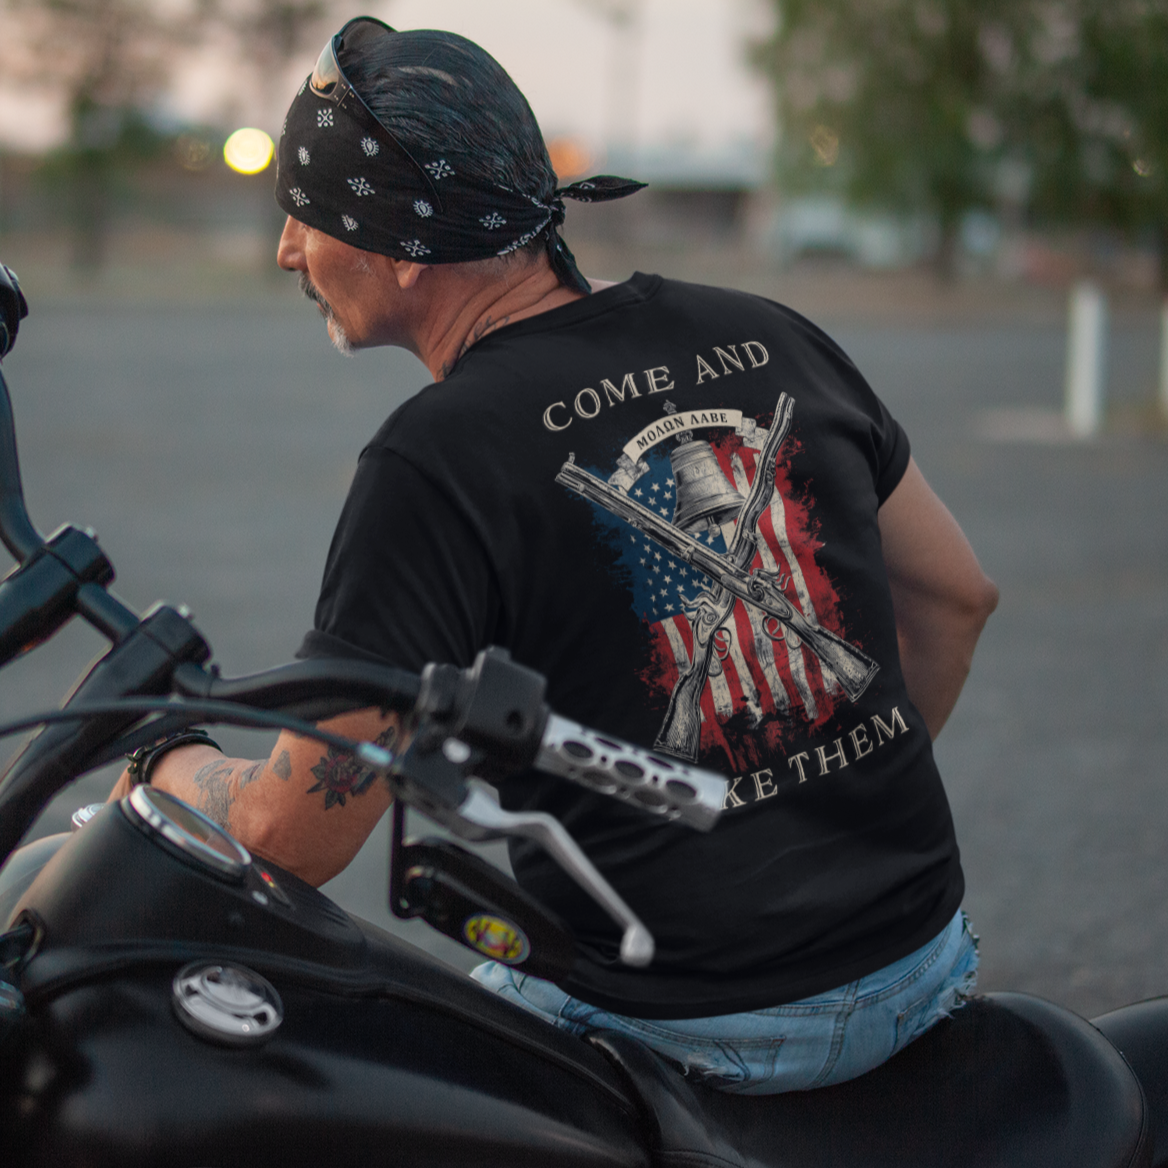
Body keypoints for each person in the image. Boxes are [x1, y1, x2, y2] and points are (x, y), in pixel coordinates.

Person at [110, 16, 998, 1094]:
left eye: (310, 214)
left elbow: (291, 837)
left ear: (403, 247)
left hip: (688, 1022)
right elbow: (957, 597)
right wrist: (808, 801)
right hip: (921, 955)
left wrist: (166, 761)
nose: (289, 250)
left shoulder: (436, 454)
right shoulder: (769, 330)